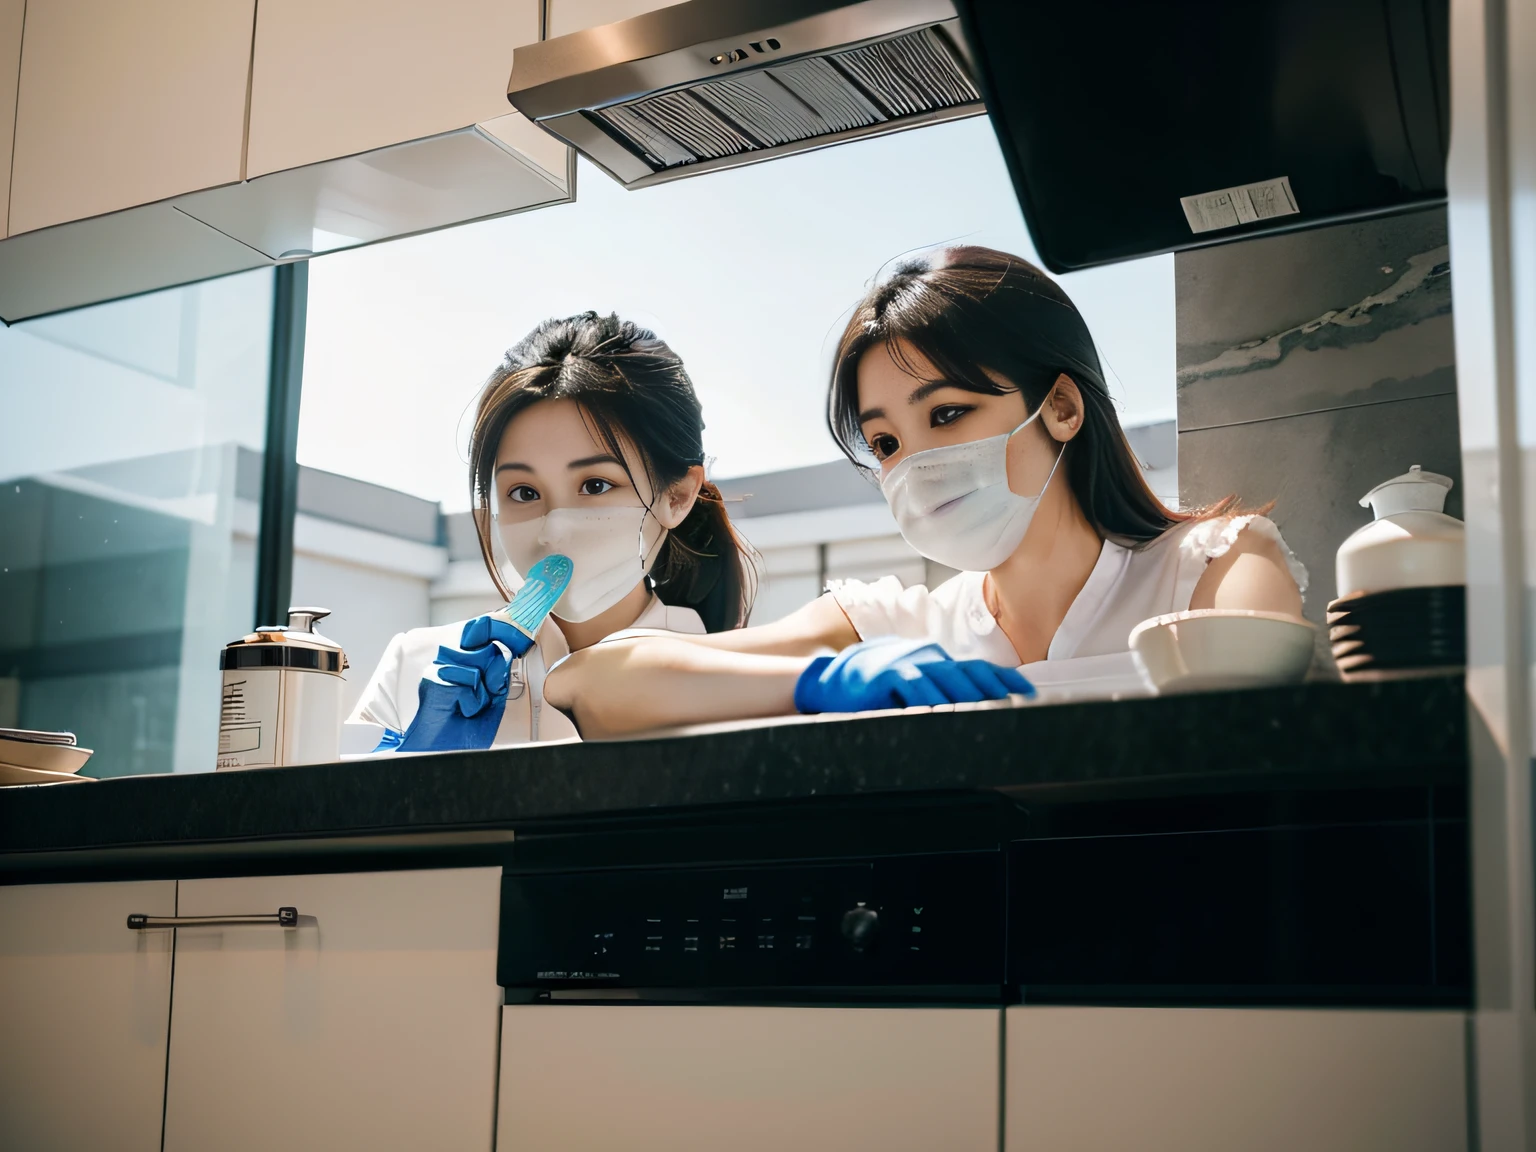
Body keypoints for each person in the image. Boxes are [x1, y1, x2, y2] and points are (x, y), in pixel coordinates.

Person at [544, 246, 1307, 738]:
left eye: (947, 413)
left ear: (1064, 409)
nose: (916, 462)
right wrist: (822, 681)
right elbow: (594, 683)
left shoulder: (1212, 566)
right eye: (885, 443)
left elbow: (1257, 740)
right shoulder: (900, 624)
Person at [347, 311, 757, 751]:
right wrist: (409, 771)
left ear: (676, 496)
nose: (554, 529)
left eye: (595, 485)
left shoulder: (736, 688)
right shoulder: (416, 667)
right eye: (523, 492)